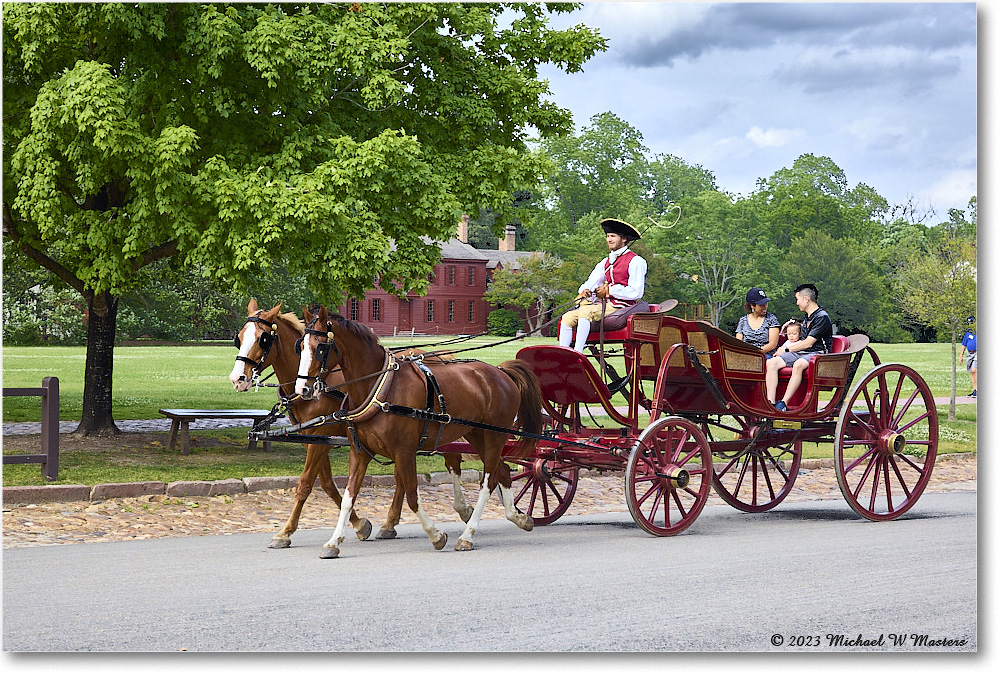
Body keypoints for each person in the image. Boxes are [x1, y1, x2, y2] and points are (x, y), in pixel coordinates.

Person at [558, 218, 647, 352]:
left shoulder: (636, 261)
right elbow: (592, 281)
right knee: (567, 317)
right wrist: (585, 290)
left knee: (585, 311)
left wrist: (608, 290)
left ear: (623, 239)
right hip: (605, 305)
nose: (609, 240)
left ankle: (577, 352)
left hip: (622, 306)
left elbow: (636, 292)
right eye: (607, 236)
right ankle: (564, 354)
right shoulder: (605, 262)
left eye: (613, 236)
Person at [765, 283, 833, 412]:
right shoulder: (808, 317)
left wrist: (785, 349)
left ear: (806, 299)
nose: (797, 303)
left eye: (797, 299)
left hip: (818, 353)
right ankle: (770, 403)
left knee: (798, 364)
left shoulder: (822, 317)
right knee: (772, 363)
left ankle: (783, 403)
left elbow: (808, 343)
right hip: (803, 352)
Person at [735, 288, 780, 354]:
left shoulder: (771, 319)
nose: (765, 307)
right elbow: (738, 343)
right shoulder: (743, 321)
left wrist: (756, 353)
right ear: (752, 306)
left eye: (766, 304)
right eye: (761, 305)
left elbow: (772, 344)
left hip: (766, 354)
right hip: (746, 354)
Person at [960, 315, 977, 397]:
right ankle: (975, 390)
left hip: (977, 352)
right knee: (971, 372)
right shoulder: (968, 333)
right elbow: (964, 344)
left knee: (974, 370)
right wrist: (961, 356)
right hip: (969, 354)